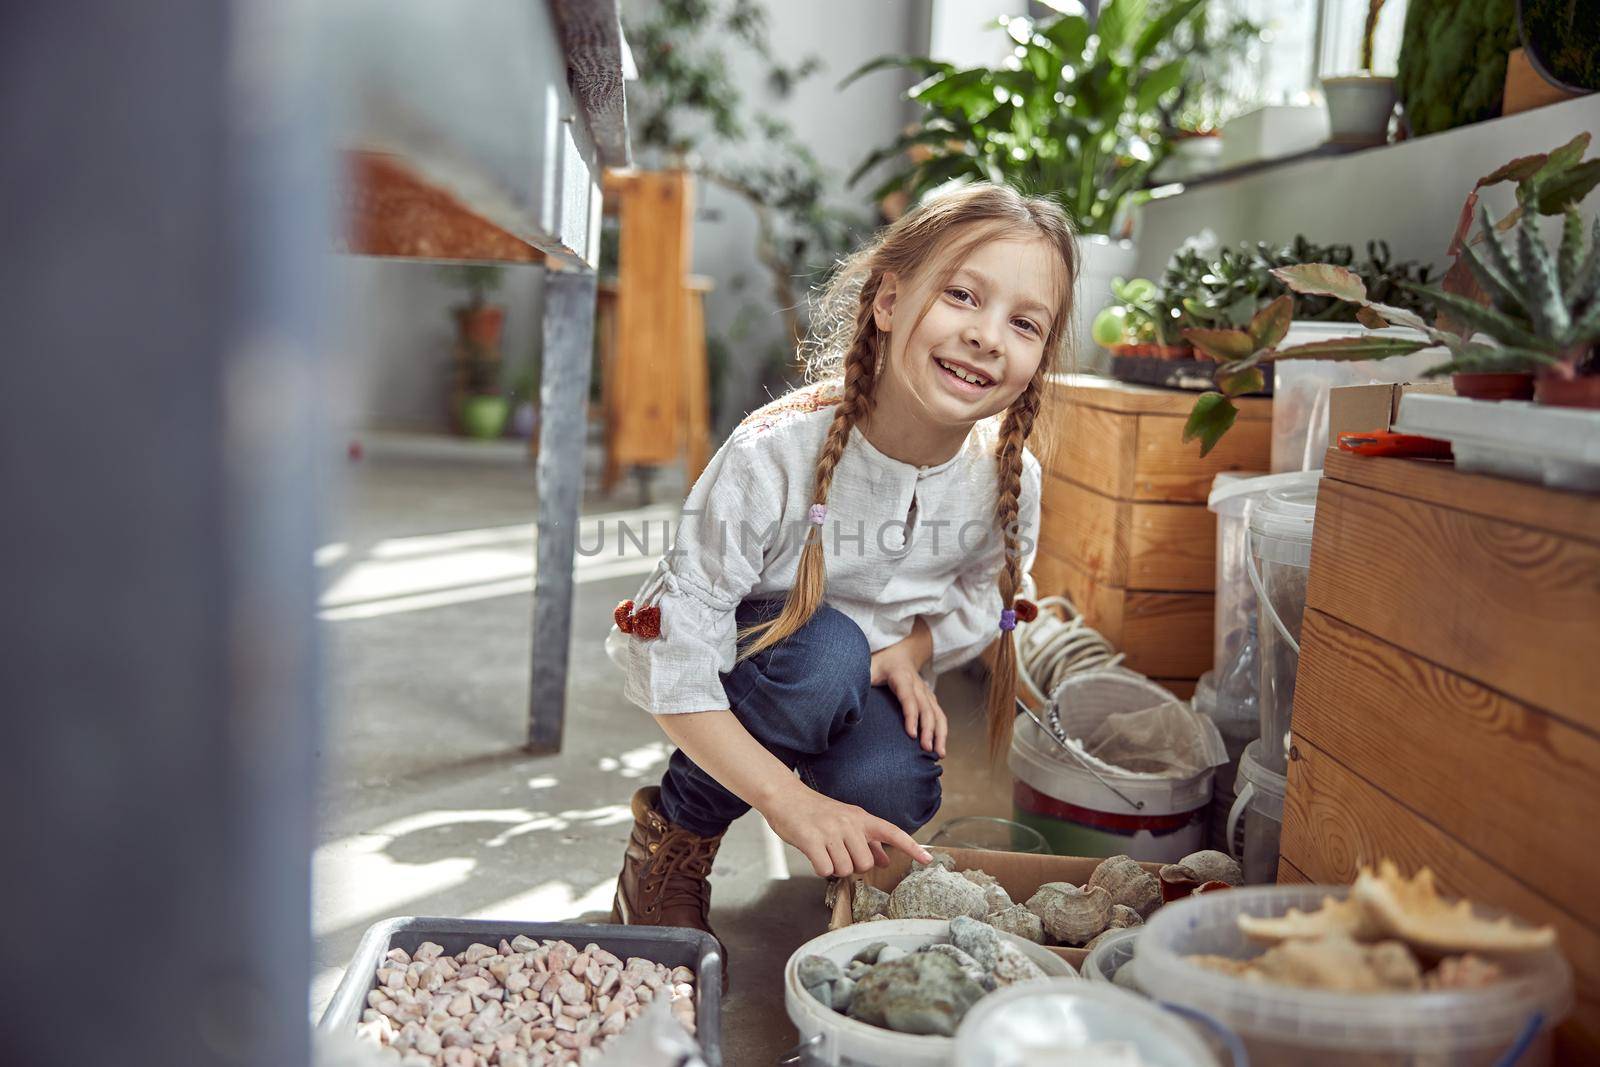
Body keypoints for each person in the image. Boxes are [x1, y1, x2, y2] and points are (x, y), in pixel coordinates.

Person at [605, 181, 1078, 951]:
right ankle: (673, 839)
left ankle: (847, 863)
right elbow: (672, 658)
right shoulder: (773, 453)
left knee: (896, 780)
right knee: (826, 655)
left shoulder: (1008, 476)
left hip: (861, 676)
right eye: (963, 295)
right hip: (766, 667)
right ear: (889, 300)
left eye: (1024, 323)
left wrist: (910, 652)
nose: (989, 336)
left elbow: (987, 597)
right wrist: (790, 804)